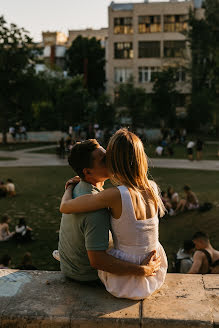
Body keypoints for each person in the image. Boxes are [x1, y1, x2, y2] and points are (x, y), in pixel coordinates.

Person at [60, 129, 167, 300]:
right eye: (105, 159)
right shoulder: (152, 188)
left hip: (134, 276)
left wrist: (70, 187)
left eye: (110, 156)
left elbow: (65, 206)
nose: (109, 161)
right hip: (154, 268)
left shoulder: (112, 196)